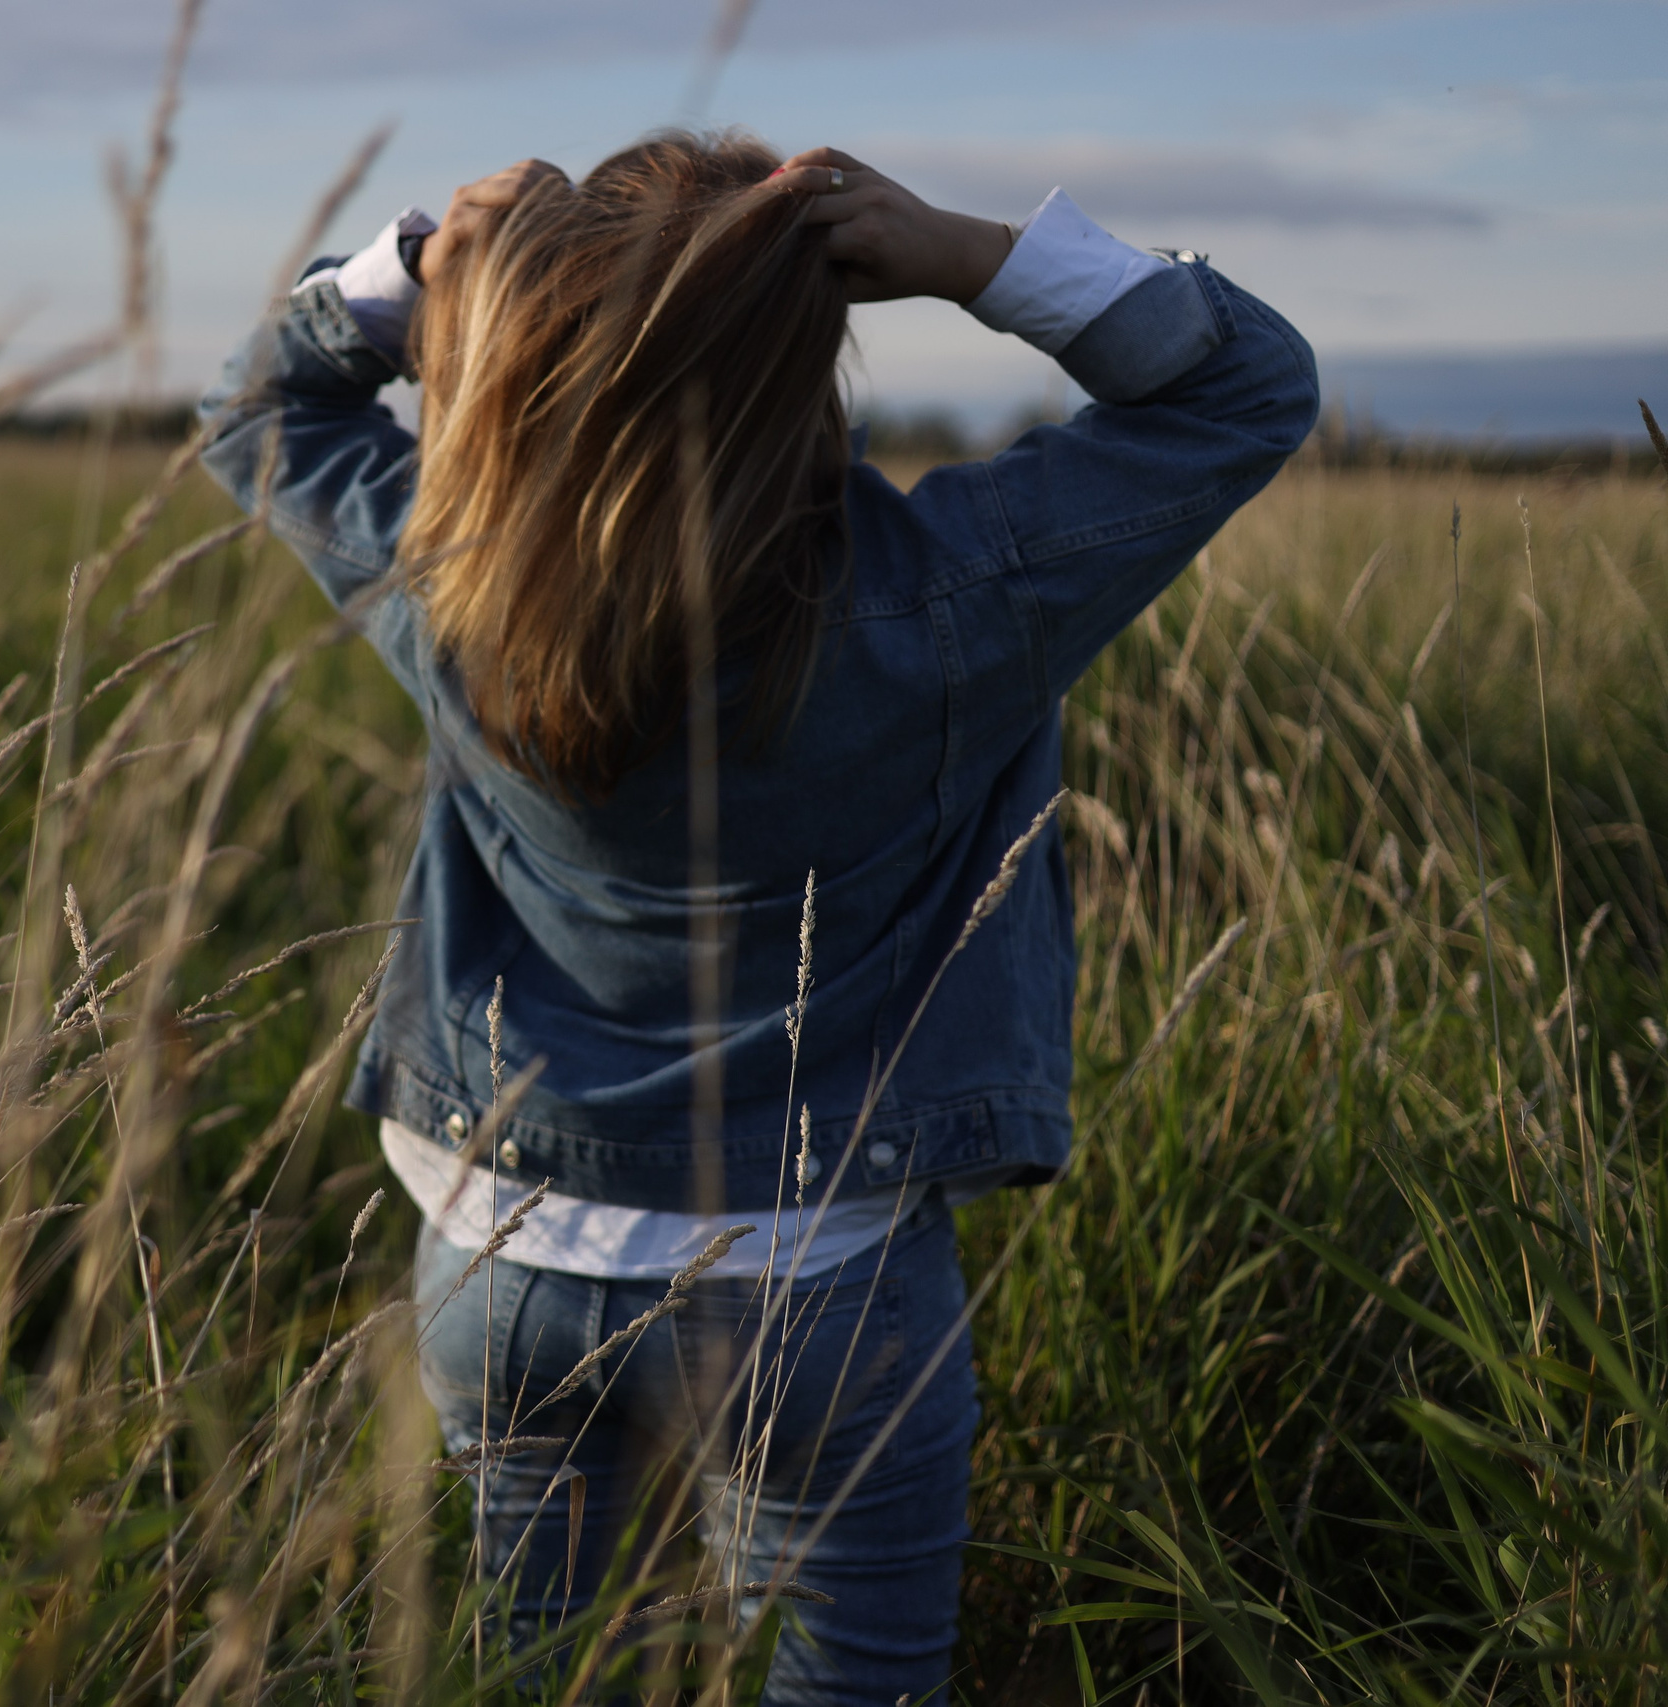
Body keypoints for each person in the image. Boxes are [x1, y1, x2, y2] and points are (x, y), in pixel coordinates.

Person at [199, 130, 1317, 1704]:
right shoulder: (950, 592)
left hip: (498, 1260)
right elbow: (1249, 386)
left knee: (563, 1677)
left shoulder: (453, 578)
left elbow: (251, 408)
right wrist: (970, 255)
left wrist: (410, 271)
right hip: (819, 1280)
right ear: (814, 346)